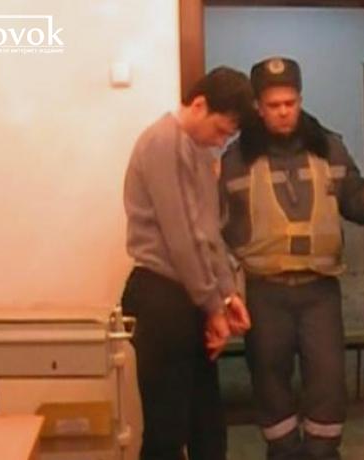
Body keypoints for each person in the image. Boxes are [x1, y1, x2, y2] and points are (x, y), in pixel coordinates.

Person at [219, 56, 364, 460]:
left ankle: (323, 453)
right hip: (263, 292)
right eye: (274, 105)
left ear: (301, 100)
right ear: (258, 107)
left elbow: (357, 203)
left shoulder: (329, 148)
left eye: (290, 102)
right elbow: (215, 229)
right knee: (269, 384)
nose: (284, 111)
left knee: (327, 383)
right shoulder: (234, 160)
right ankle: (284, 453)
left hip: (319, 291)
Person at [121, 66, 254, 460]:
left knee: (206, 426)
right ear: (199, 105)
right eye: (220, 130)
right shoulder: (164, 142)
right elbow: (182, 238)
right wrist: (213, 307)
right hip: (161, 294)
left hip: (189, 295)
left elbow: (208, 233)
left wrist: (227, 296)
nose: (221, 141)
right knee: (167, 431)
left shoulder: (197, 151)